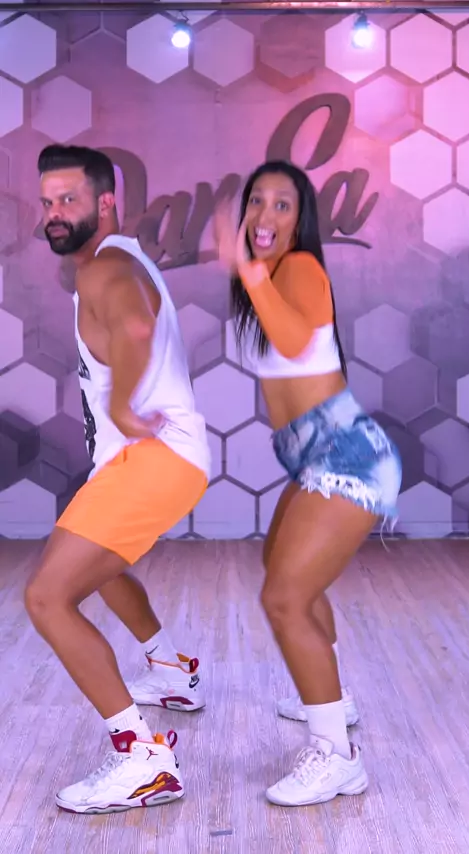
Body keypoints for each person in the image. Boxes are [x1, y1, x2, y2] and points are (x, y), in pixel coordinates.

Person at [26, 144, 210, 814]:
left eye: (68, 199)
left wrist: (128, 406)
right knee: (94, 568)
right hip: (145, 460)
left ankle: (142, 760)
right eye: (47, 201)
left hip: (155, 457)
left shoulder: (106, 268)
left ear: (106, 201)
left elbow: (134, 324)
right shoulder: (118, 257)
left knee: (48, 598)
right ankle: (169, 669)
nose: (54, 213)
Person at [215, 160, 402, 807]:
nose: (264, 216)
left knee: (284, 597)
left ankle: (337, 756)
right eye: (256, 202)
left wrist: (247, 271)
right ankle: (334, 699)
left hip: (347, 455)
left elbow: (295, 344)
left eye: (282, 205)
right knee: (287, 574)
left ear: (301, 221)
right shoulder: (267, 280)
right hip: (313, 456)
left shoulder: (298, 268)